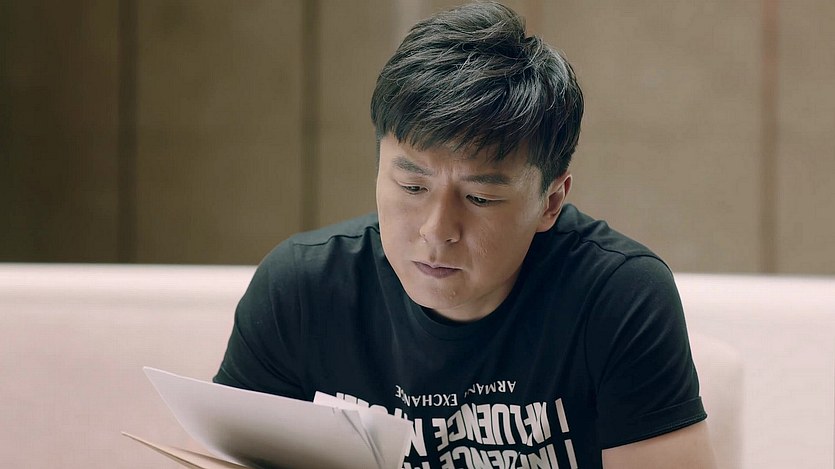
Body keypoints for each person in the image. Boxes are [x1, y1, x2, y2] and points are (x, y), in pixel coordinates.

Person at [214, 2, 716, 468]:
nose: (436, 230)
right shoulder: (303, 290)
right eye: (412, 187)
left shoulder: (616, 298)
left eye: (480, 198)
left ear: (550, 202)